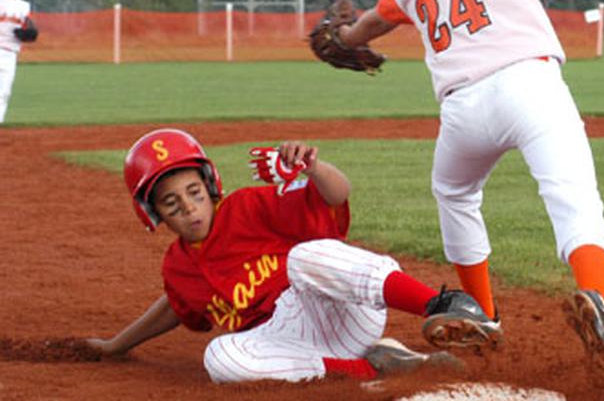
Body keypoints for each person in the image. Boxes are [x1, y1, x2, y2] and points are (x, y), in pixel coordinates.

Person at [334, 0, 604, 372]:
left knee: (455, 193)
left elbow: (367, 27)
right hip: (529, 86)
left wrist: (340, 35)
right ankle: (597, 300)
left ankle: (484, 314)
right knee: (571, 196)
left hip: (463, 110)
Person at [85, 128, 498, 384]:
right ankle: (377, 366)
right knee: (219, 357)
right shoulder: (178, 268)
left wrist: (313, 168)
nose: (189, 208)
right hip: (295, 343)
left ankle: (440, 304)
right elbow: (176, 306)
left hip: (340, 311)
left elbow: (337, 195)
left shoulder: (247, 206)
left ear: (210, 185)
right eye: (172, 204)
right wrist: (116, 346)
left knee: (303, 257)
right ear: (154, 214)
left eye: (194, 193)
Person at [0, 0, 38, 123]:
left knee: (4, 92)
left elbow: (29, 27)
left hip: (10, 54)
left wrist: (30, 33)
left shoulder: (24, 6)